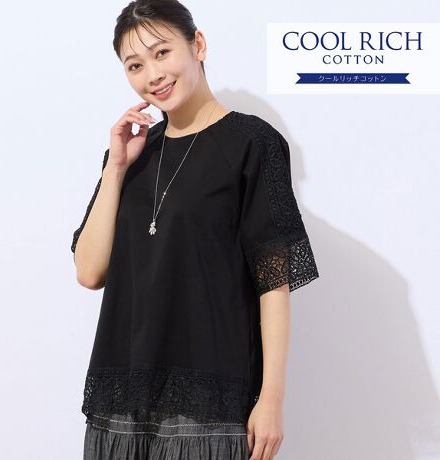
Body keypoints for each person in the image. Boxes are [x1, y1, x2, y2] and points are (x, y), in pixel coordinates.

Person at [71, 0, 320, 458]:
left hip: (208, 406)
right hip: (122, 401)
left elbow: (273, 283)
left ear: (197, 45)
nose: (152, 75)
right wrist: (116, 169)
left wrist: (272, 399)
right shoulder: (130, 155)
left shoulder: (252, 144)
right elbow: (89, 272)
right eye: (135, 65)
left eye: (162, 53)